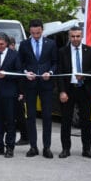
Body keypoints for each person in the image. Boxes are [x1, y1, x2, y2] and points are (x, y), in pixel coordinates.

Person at [57, 26, 91, 159]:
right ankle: (65, 149)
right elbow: (59, 73)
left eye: (78, 36)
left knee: (86, 121)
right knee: (66, 121)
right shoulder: (62, 52)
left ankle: (87, 149)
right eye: (73, 36)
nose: (75, 39)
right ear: (69, 37)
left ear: (82, 36)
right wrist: (62, 91)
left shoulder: (90, 51)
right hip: (68, 90)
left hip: (84, 90)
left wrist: (84, 75)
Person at [18, 19, 58, 159]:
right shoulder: (24, 44)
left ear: (42, 30)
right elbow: (20, 63)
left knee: (47, 116)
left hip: (46, 85)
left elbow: (55, 63)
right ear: (30, 31)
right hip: (30, 85)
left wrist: (50, 73)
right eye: (33, 33)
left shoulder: (51, 44)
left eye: (38, 33)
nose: (36, 36)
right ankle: (33, 146)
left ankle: (47, 147)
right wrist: (25, 72)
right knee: (31, 116)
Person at [0, 32, 22, 158]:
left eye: (1, 44)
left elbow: (19, 72)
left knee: (10, 121)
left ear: (6, 43)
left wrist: (6, 74)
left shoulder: (14, 55)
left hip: (9, 93)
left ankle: (10, 147)